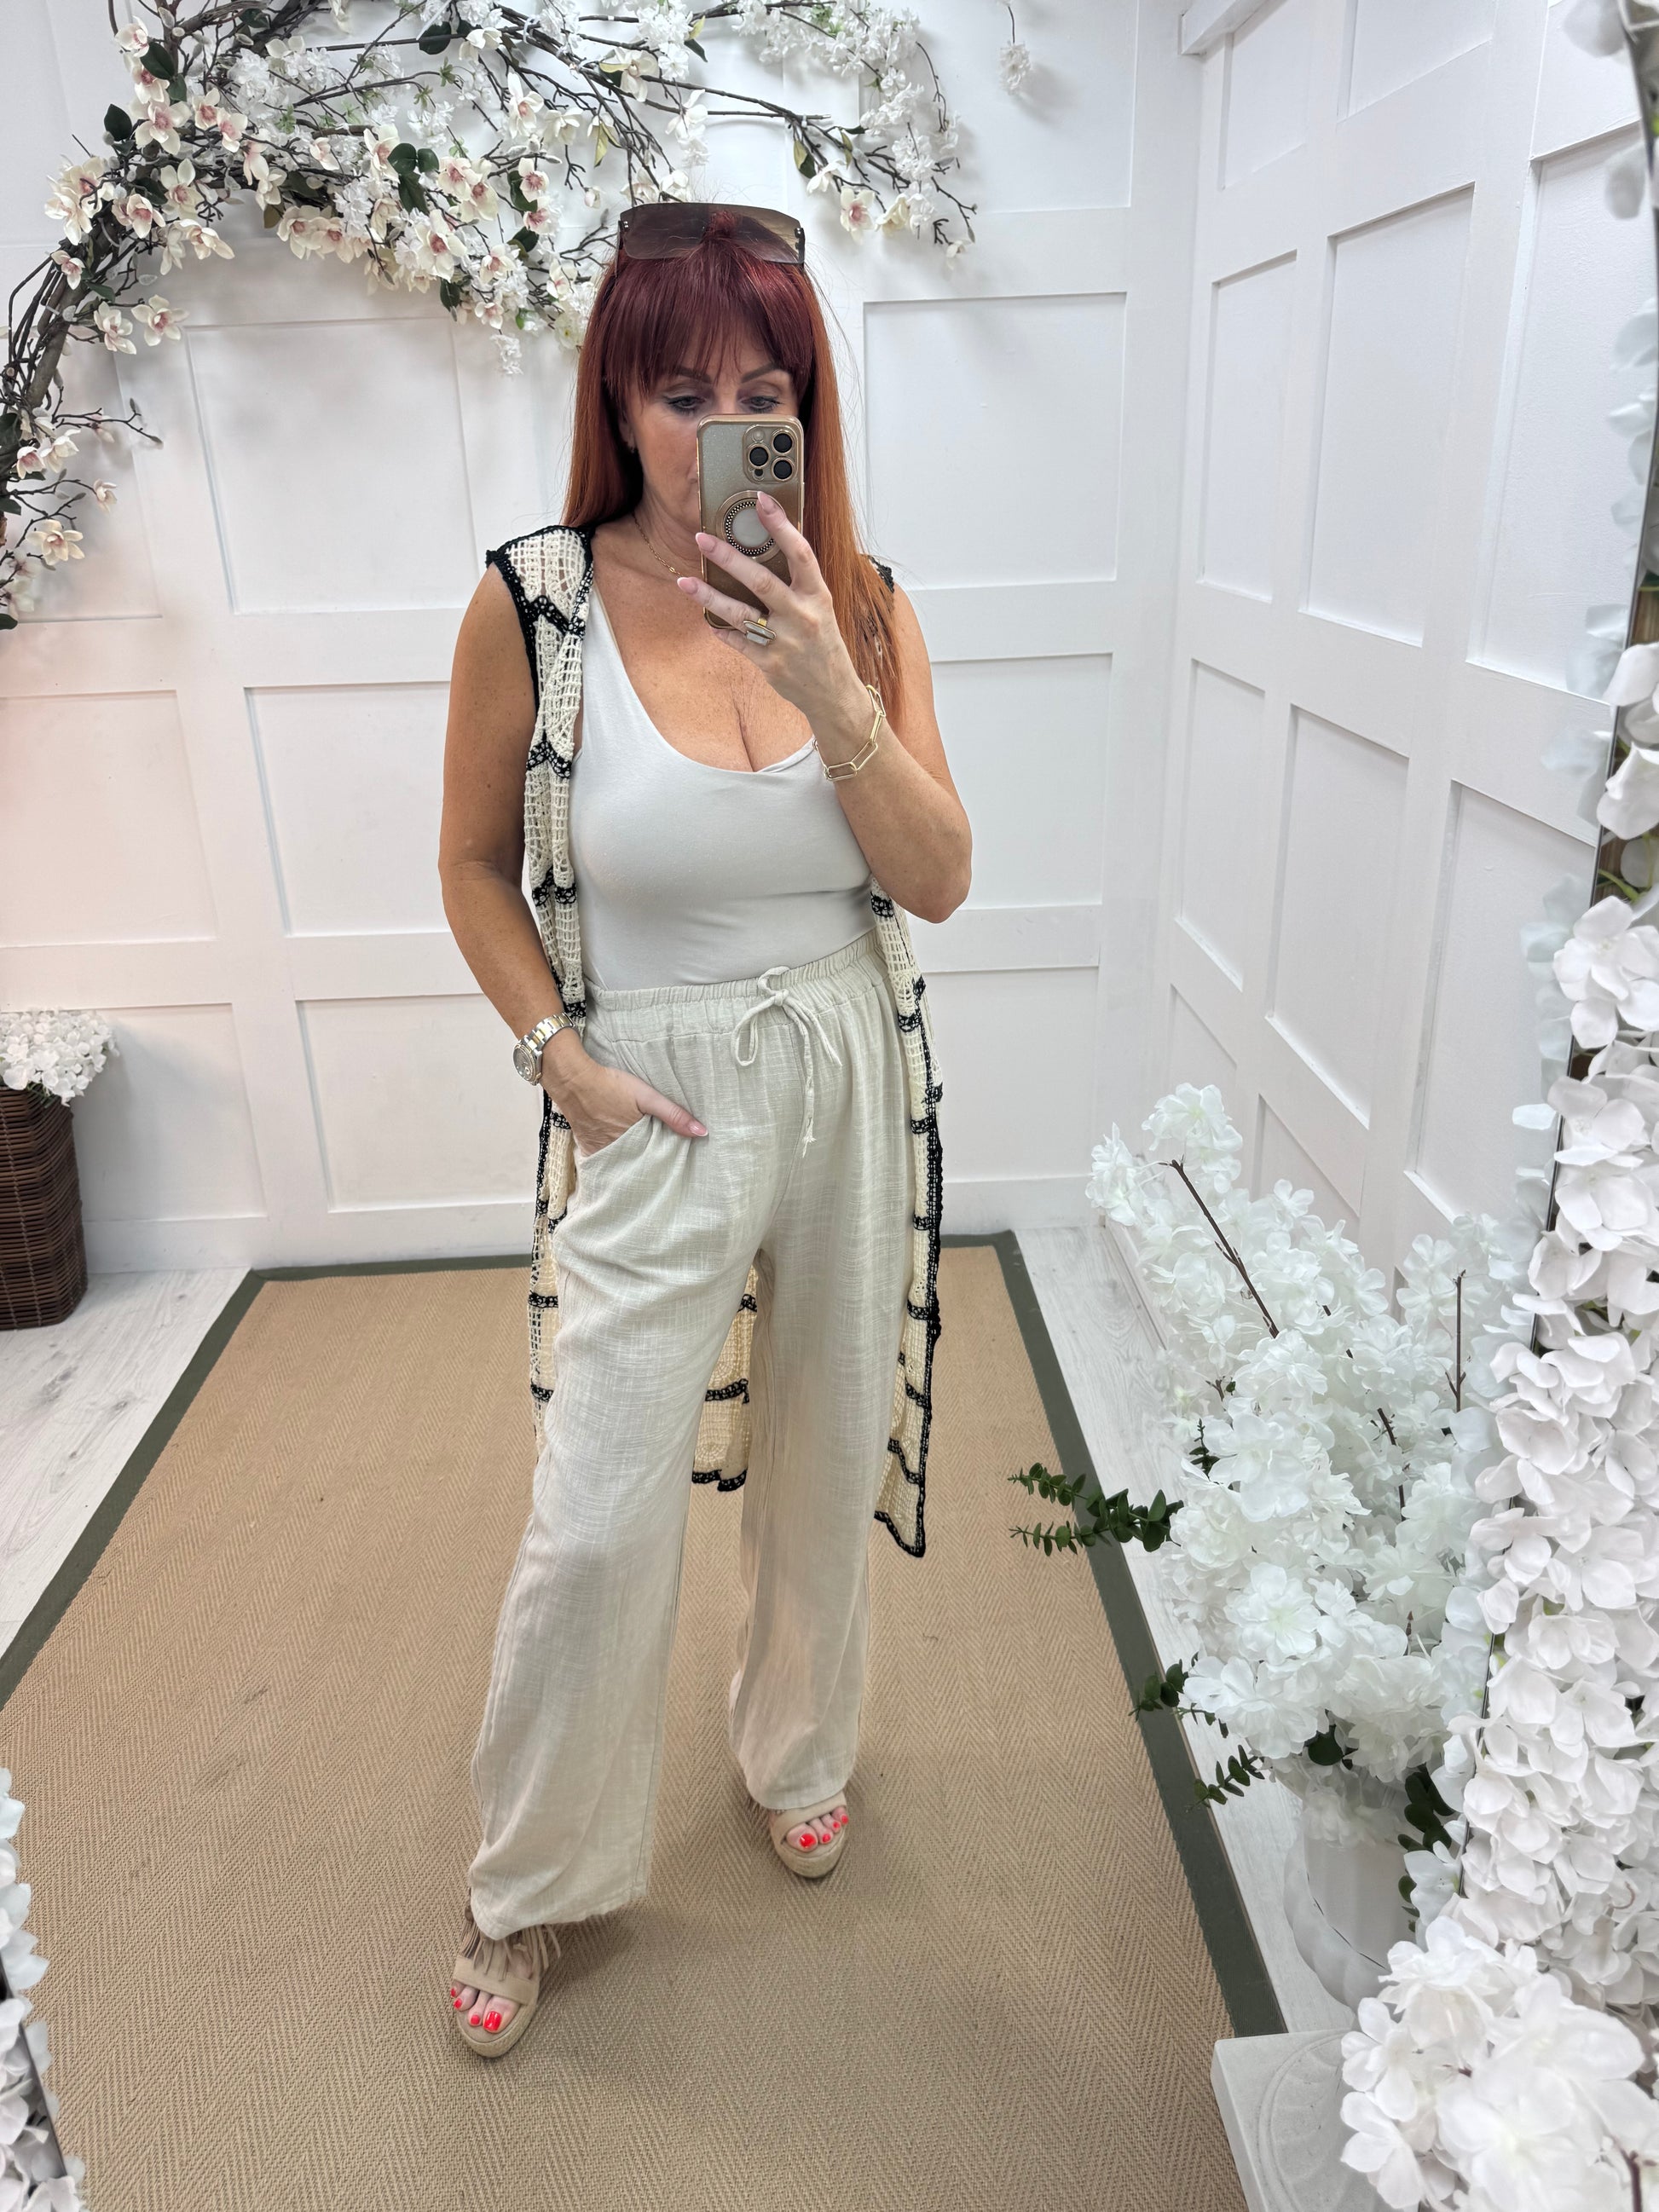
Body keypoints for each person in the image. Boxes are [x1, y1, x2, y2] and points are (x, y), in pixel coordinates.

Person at [436, 200, 971, 2057]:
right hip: (648, 1089)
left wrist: (829, 678)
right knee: (594, 1516)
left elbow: (938, 877)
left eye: (768, 393)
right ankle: (529, 1875)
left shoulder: (865, 601)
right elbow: (471, 864)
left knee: (824, 1444)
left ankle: (798, 1747)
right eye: (682, 394)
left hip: (842, 1053)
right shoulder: (535, 603)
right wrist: (557, 1060)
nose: (726, 429)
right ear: (617, 403)